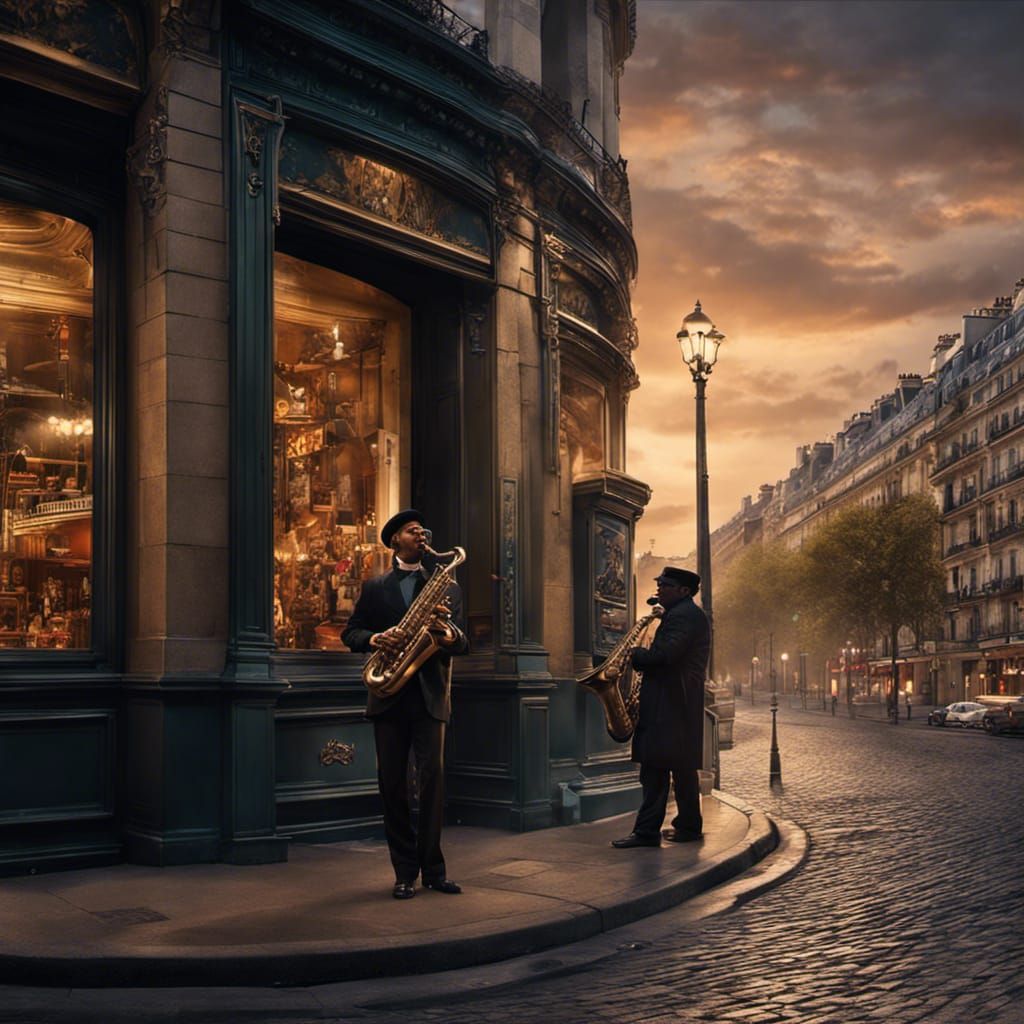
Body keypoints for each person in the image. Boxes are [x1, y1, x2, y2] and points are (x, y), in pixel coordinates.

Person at [342, 509, 468, 899]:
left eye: (424, 530)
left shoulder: (448, 586)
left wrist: (446, 633)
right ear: (395, 539)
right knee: (392, 786)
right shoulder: (375, 586)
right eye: (414, 531)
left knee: (433, 787)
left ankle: (434, 870)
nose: (422, 535)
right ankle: (403, 872)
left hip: (430, 697)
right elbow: (351, 633)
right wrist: (376, 639)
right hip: (389, 695)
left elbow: (462, 644)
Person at [611, 567, 710, 848]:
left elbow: (665, 655)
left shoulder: (682, 616)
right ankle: (688, 827)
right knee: (681, 768)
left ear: (684, 591)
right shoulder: (685, 614)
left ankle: (646, 832)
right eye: (659, 583)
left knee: (654, 769)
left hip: (669, 705)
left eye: (666, 585)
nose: (660, 589)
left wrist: (635, 654)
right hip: (678, 704)